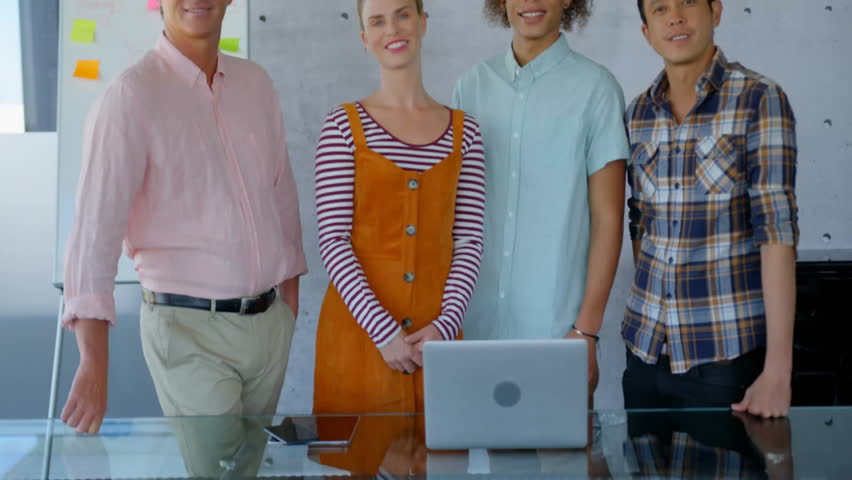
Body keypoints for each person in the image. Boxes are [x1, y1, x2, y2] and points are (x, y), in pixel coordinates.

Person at [61, 0, 306, 442]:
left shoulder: (256, 84)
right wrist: (93, 363)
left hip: (269, 326)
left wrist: (287, 309)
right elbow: (93, 238)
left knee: (248, 470)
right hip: (188, 332)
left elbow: (281, 197)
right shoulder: (130, 97)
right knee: (218, 472)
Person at [622, 0, 798, 418]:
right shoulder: (638, 113)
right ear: (647, 32)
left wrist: (777, 371)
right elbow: (640, 222)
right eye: (660, 9)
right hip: (644, 354)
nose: (676, 17)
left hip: (724, 360)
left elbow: (777, 233)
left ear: (715, 11)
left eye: (687, 3)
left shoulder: (759, 99)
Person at [313, 0, 485, 414]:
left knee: (440, 459)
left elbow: (468, 240)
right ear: (364, 39)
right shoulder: (342, 128)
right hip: (359, 337)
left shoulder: (466, 133)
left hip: (437, 343)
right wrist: (383, 331)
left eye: (403, 14)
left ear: (423, 23)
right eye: (377, 21)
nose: (392, 29)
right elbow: (333, 241)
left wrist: (445, 327)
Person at [453, 0, 629, 398]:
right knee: (494, 458)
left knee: (565, 459)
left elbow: (608, 220)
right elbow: (457, 215)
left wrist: (586, 330)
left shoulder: (597, 89)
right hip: (477, 330)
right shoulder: (470, 87)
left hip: (559, 334)